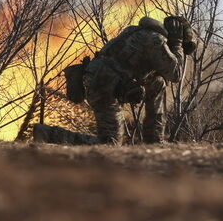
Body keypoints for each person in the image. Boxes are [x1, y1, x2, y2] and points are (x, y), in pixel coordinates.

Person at [82, 15, 196, 144]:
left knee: (157, 82)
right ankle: (55, 135)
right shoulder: (155, 40)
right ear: (175, 35)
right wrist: (177, 45)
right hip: (103, 84)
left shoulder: (141, 32)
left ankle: (154, 141)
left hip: (105, 81)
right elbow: (176, 74)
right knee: (110, 143)